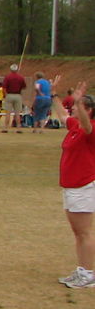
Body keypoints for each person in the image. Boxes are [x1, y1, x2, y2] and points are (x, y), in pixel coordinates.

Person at [58, 82, 95, 289]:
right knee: (77, 232)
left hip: (83, 185)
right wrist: (52, 94)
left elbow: (87, 125)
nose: (72, 108)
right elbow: (63, 115)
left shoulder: (90, 130)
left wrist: (79, 101)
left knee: (85, 232)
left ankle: (89, 274)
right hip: (70, 186)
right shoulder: (74, 127)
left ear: (88, 110)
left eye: (78, 107)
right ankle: (82, 270)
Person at [1, 64, 26, 131]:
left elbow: (4, 87)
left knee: (8, 112)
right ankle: (18, 128)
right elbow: (24, 86)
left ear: (10, 70)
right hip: (18, 95)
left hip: (9, 95)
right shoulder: (21, 77)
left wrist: (5, 95)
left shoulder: (7, 77)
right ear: (17, 70)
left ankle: (6, 127)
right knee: (17, 113)